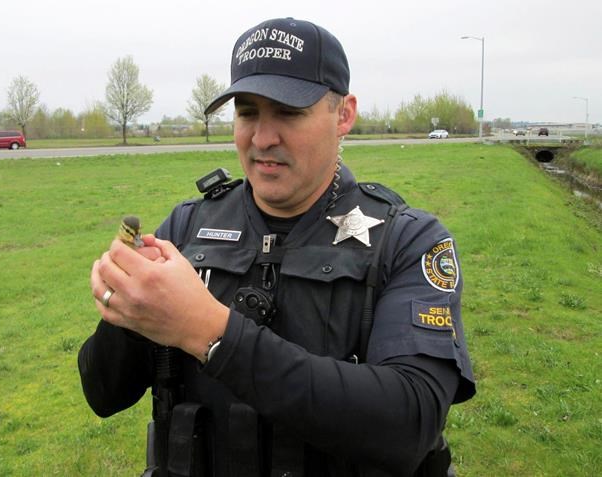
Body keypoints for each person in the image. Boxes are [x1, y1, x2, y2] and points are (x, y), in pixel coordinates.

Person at [78, 17, 475, 477]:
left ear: (343, 115)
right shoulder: (189, 226)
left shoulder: (406, 240)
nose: (262, 138)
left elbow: (410, 424)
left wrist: (209, 331)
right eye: (247, 113)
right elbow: (103, 394)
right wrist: (129, 313)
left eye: (288, 112)